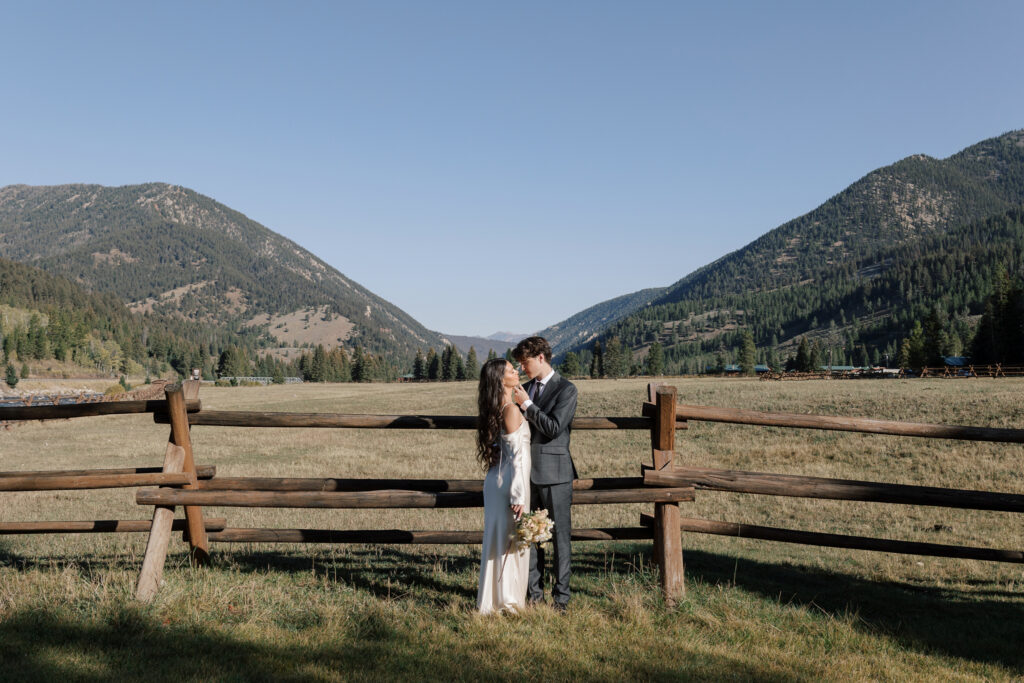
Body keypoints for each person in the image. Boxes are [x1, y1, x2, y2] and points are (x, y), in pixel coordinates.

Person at [512, 336, 577, 612]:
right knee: (530, 536)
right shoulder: (523, 389)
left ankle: (561, 600)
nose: (522, 368)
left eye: (524, 363)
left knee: (560, 538)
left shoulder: (567, 390)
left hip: (557, 474)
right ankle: (533, 595)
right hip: (527, 474)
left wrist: (527, 405)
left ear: (541, 358)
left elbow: (553, 427)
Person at [476, 357, 532, 614]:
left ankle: (496, 600)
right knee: (509, 541)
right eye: (511, 370)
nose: (517, 371)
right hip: (510, 482)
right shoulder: (510, 410)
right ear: (501, 379)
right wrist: (519, 494)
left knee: (500, 541)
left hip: (498, 479)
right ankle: (507, 602)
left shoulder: (498, 407)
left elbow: (503, 447)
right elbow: (518, 457)